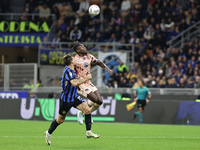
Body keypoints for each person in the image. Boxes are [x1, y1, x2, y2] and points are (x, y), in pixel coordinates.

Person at [44, 54, 100, 146]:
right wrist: (86, 78)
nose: (75, 60)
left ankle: (88, 131)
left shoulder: (72, 69)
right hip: (66, 99)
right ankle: (48, 133)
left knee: (87, 110)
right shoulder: (68, 71)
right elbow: (74, 83)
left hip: (74, 97)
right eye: (74, 59)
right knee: (60, 120)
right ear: (71, 62)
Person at [72, 41, 112, 125]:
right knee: (94, 99)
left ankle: (82, 113)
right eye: (83, 47)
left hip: (88, 82)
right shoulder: (74, 59)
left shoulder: (89, 56)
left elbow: (98, 62)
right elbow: (69, 70)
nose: (85, 48)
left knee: (100, 101)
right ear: (78, 50)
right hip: (80, 83)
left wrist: (105, 66)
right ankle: (87, 113)